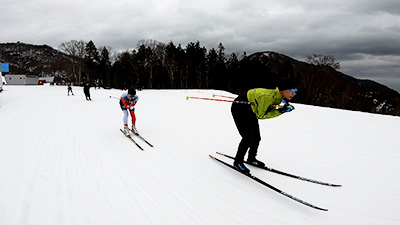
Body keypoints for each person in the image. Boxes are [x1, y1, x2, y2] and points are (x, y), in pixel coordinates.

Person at [231, 78, 297, 174]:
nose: (294, 93)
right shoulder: (268, 97)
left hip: (251, 110)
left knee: (256, 137)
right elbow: (261, 115)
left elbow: (268, 108)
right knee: (247, 137)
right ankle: (238, 162)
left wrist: (282, 107)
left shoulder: (277, 97)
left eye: (296, 91)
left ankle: (251, 158)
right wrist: (280, 111)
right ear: (284, 89)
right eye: (292, 91)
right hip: (240, 109)